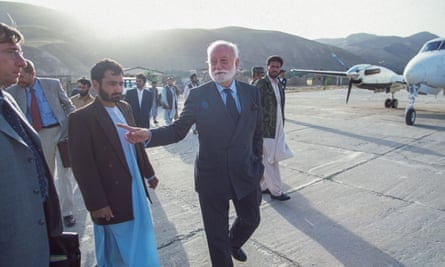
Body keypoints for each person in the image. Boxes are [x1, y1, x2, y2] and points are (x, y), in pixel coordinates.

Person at [118, 40, 264, 267]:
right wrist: (149, 135)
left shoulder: (251, 92)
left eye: (223, 60)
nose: (217, 66)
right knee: (216, 237)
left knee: (251, 219)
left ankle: (233, 243)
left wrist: (259, 164)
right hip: (212, 176)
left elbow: (257, 133)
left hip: (246, 171)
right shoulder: (198, 95)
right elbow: (178, 131)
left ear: (237, 63)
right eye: (212, 62)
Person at [68, 58, 160, 266]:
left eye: (120, 83)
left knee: (141, 239)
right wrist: (97, 203)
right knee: (113, 248)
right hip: (110, 194)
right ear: (96, 84)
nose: (118, 88)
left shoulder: (125, 107)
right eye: (112, 83)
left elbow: (137, 145)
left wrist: (149, 173)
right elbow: (83, 166)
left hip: (134, 185)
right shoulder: (81, 118)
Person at [0, 22, 63, 267]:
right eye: (12, 52)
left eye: (21, 52)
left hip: (33, 240)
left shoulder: (7, 99)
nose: (21, 62)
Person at [7, 59, 77, 226]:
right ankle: (48, 211)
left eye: (23, 76)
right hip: (39, 136)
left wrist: (73, 123)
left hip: (61, 132)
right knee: (46, 174)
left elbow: (68, 105)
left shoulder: (52, 84)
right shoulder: (13, 91)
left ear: (33, 73)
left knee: (65, 174)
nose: (20, 80)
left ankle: (67, 212)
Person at [256, 56, 294, 201]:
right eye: (272, 66)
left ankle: (264, 186)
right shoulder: (261, 84)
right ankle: (276, 191)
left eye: (277, 67)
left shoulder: (278, 84)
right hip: (266, 130)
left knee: (269, 158)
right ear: (267, 67)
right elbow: (254, 107)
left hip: (278, 128)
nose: (275, 69)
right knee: (271, 160)